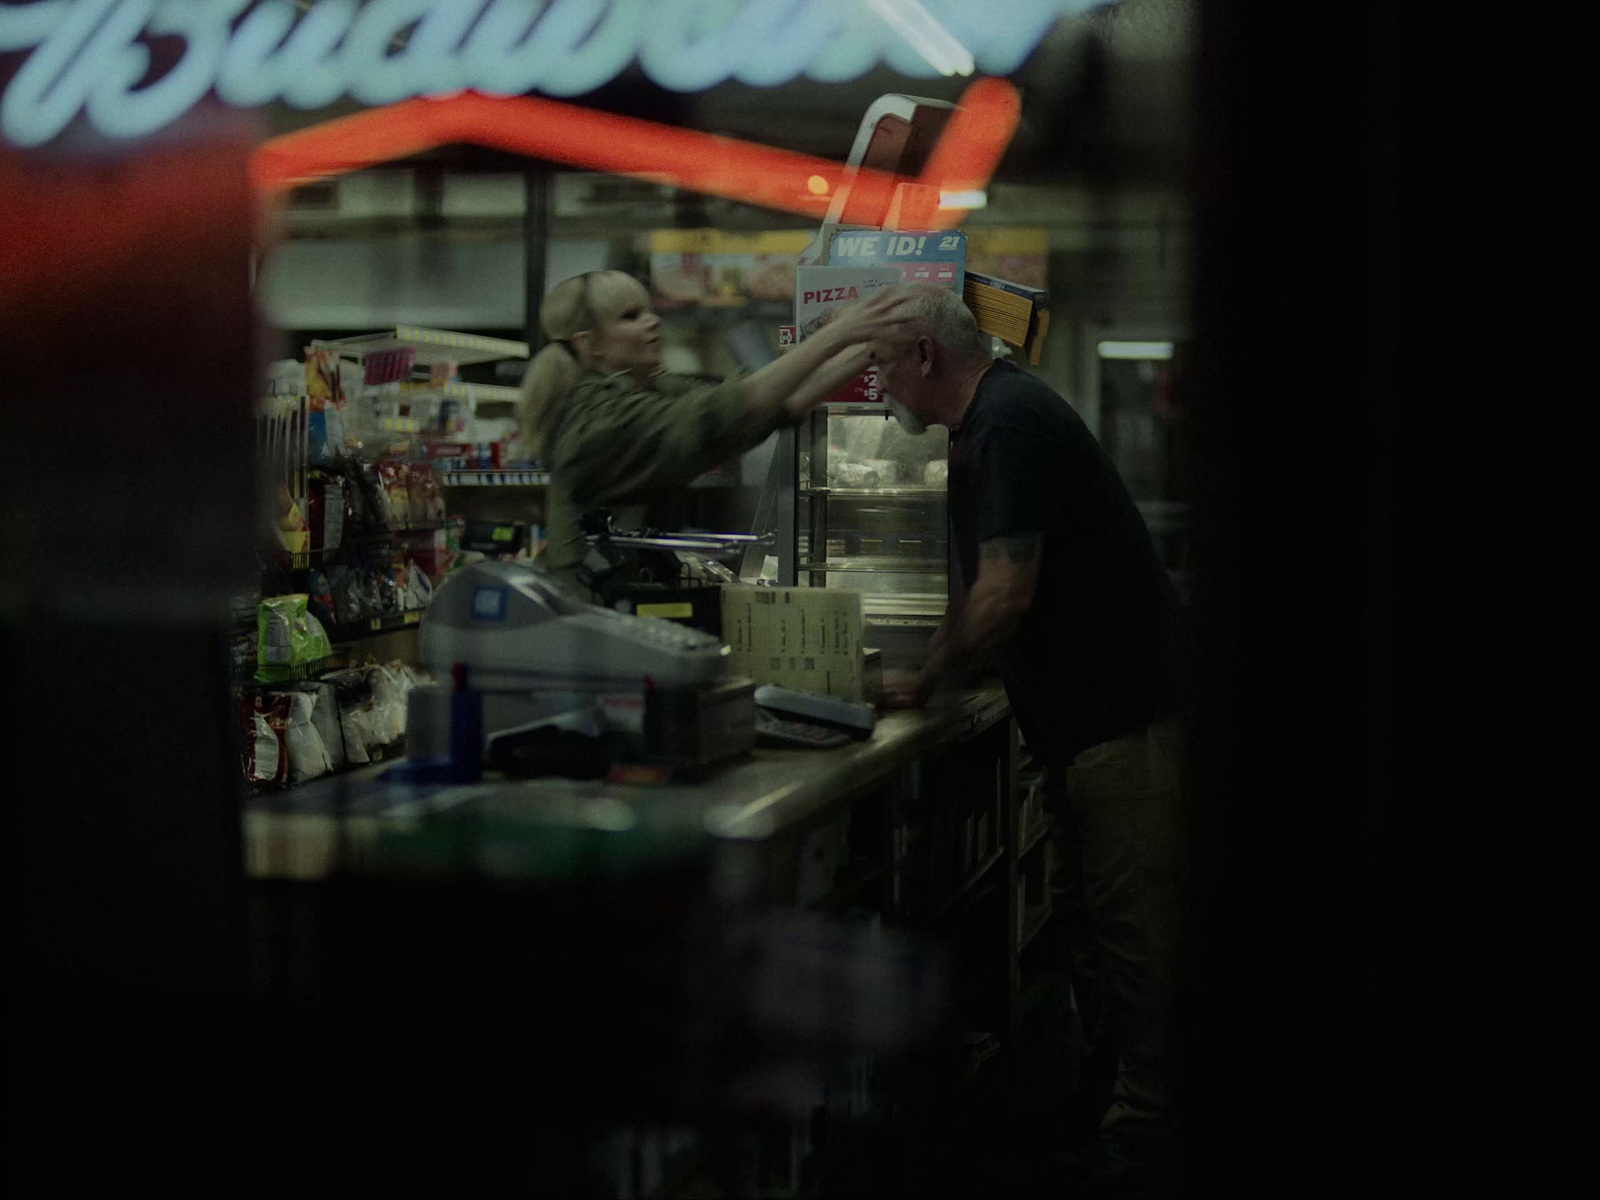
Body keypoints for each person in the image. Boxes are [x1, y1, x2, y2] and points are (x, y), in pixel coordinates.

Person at [874, 284, 1191, 1192]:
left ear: (927, 357)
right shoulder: (993, 421)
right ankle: (1121, 1114)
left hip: (1123, 726)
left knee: (1140, 939)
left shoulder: (1007, 423)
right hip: (1087, 726)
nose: (877, 383)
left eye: (882, 363)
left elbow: (1005, 594)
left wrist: (923, 679)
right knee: (1091, 927)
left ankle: (1148, 1145)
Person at [520, 269, 910, 595]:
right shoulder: (595, 419)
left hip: (623, 597)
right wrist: (840, 334)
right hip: (586, 612)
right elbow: (724, 412)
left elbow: (770, 408)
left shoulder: (649, 389)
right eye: (630, 316)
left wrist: (868, 351)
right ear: (590, 346)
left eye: (648, 311)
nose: (652, 320)